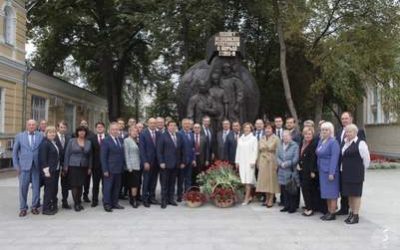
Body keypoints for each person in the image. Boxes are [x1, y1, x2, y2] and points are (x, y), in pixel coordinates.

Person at [335, 111, 366, 216]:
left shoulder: (359, 131)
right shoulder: (339, 131)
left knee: (355, 193)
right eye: (342, 118)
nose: (344, 120)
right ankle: (344, 208)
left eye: (346, 118)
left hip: (355, 169)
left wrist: (360, 168)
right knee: (345, 189)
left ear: (351, 119)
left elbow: (365, 156)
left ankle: (353, 212)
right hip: (343, 166)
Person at [12, 119, 43, 217]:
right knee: (23, 188)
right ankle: (23, 208)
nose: (31, 126)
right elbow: (14, 152)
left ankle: (34, 207)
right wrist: (16, 166)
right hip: (23, 166)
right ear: (26, 126)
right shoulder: (20, 136)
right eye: (29, 125)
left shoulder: (40, 135)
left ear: (36, 126)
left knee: (36, 188)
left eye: (33, 125)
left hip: (36, 166)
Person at [341, 124, 370, 224]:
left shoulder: (361, 143)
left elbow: (366, 159)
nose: (348, 133)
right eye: (347, 132)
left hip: (356, 173)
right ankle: (351, 213)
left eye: (350, 132)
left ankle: (356, 215)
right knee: (349, 194)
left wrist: (361, 170)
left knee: (356, 195)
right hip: (346, 173)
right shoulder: (345, 143)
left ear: (355, 132)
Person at [157, 120, 185, 209]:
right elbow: (159, 151)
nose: (173, 127)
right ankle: (164, 201)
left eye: (174, 125)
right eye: (171, 125)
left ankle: (171, 199)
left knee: (172, 183)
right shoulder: (162, 136)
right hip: (165, 164)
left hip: (176, 164)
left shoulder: (179, 136)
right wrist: (161, 162)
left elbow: (182, 150)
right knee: (164, 184)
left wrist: (182, 162)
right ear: (167, 126)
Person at [64, 126, 93, 212]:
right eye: (80, 131)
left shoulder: (88, 142)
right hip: (73, 166)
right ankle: (76, 203)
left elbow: (90, 156)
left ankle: (79, 202)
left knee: (81, 185)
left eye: (83, 131)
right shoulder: (72, 141)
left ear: (85, 133)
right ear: (77, 132)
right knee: (74, 185)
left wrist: (90, 167)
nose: (82, 133)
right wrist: (66, 166)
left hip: (84, 166)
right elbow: (67, 154)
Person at [316, 121, 341, 221]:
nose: (324, 131)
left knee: (332, 193)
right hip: (322, 170)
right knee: (326, 193)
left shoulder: (333, 142)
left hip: (330, 172)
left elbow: (335, 158)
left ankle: (332, 213)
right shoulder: (321, 141)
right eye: (322, 130)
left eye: (326, 130)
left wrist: (332, 172)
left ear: (331, 131)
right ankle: (328, 211)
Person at [101, 122, 125, 212]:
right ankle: (107, 204)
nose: (115, 131)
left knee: (117, 187)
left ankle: (115, 203)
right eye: (113, 129)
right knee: (108, 187)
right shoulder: (105, 141)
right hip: (109, 169)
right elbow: (103, 157)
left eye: (116, 129)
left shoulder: (120, 140)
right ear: (110, 130)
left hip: (119, 168)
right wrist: (105, 169)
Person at [256, 122, 280, 208]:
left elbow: (278, 152)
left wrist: (277, 163)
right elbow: (258, 151)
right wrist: (258, 162)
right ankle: (266, 198)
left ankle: (271, 199)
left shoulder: (276, 138)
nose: (267, 130)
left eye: (269, 128)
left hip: (271, 160)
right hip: (262, 160)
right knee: (264, 181)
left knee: (271, 180)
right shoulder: (261, 138)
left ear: (272, 129)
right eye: (266, 128)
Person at [298, 126, 321, 216]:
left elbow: (313, 159)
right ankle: (309, 206)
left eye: (309, 134)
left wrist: (312, 171)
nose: (307, 135)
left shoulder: (314, 144)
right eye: (305, 134)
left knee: (307, 189)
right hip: (302, 169)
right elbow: (300, 154)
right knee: (305, 189)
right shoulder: (302, 142)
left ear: (312, 134)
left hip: (309, 171)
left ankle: (310, 209)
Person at [39, 126, 61, 215]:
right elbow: (43, 159)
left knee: (53, 189)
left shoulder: (52, 142)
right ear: (46, 133)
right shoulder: (45, 143)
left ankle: (51, 205)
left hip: (55, 170)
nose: (52, 134)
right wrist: (46, 172)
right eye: (50, 132)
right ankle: (46, 209)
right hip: (49, 171)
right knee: (48, 190)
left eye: (53, 132)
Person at [139, 117, 161, 207]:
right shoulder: (143, 134)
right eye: (151, 123)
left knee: (154, 181)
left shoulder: (159, 133)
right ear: (148, 123)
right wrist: (145, 162)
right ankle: (145, 199)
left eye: (154, 123)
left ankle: (152, 197)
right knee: (146, 181)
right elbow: (142, 149)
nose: (153, 125)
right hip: (147, 162)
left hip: (156, 162)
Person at [235, 123, 258, 205]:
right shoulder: (240, 138)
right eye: (245, 128)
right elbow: (238, 150)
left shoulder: (253, 139)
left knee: (248, 181)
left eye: (248, 128)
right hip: (242, 162)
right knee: (244, 180)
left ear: (251, 129)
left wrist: (253, 161)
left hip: (249, 163)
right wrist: (237, 161)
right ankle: (249, 196)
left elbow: (255, 151)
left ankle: (246, 198)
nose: (246, 129)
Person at [277, 130, 300, 213]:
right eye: (283, 136)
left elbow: (296, 159)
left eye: (287, 136)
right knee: (284, 190)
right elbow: (277, 157)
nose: (285, 138)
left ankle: (292, 207)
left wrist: (286, 164)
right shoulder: (280, 145)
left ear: (290, 137)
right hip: (282, 171)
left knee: (291, 190)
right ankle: (286, 205)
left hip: (291, 171)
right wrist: (280, 163)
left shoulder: (295, 145)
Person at [88, 121, 106, 207]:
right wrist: (90, 166)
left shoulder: (108, 137)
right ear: (96, 129)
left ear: (104, 128)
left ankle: (105, 199)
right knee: (95, 184)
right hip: (96, 166)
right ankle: (94, 200)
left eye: (101, 127)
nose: (100, 128)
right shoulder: (92, 138)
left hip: (106, 166)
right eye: (98, 127)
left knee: (105, 184)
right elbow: (90, 153)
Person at [177, 118, 196, 202]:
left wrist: (194, 159)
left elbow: (193, 148)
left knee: (188, 179)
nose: (187, 125)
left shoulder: (192, 134)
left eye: (189, 124)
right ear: (182, 124)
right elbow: (178, 150)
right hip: (182, 162)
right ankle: (179, 196)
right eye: (185, 124)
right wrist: (181, 162)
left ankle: (187, 194)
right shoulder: (179, 134)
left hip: (189, 161)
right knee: (181, 180)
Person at [55, 121, 72, 209]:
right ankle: (53, 201)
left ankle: (64, 201)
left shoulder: (69, 138)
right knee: (54, 184)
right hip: (55, 165)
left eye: (64, 127)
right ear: (58, 128)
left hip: (65, 164)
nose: (63, 129)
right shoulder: (53, 137)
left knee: (65, 184)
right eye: (61, 127)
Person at [124, 126, 141, 208]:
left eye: (136, 131)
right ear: (129, 132)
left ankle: (134, 198)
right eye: (133, 131)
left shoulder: (138, 140)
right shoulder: (126, 140)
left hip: (139, 165)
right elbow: (126, 154)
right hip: (132, 166)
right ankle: (133, 200)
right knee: (133, 184)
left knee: (137, 183)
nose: (135, 132)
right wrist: (129, 166)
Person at [79, 119, 94, 203]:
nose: (83, 125)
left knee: (87, 180)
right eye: (82, 123)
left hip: (88, 161)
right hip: (78, 162)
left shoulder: (91, 135)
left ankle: (86, 195)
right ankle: (79, 195)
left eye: (85, 123)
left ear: (87, 125)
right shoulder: (76, 133)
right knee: (79, 180)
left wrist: (90, 165)